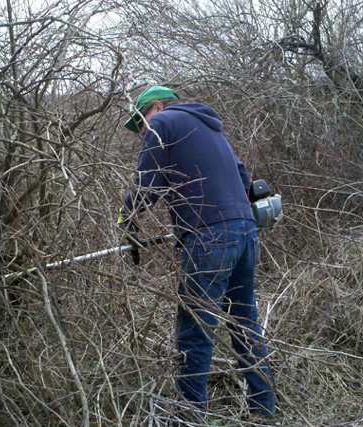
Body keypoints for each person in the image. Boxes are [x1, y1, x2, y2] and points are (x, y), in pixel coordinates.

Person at [118, 86, 275, 417]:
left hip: (209, 239)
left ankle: (190, 416)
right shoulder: (207, 126)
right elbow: (243, 175)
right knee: (245, 322)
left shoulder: (161, 122)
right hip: (246, 232)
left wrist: (128, 217)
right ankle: (263, 409)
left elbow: (148, 181)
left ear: (155, 107)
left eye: (141, 122)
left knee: (195, 330)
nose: (142, 131)